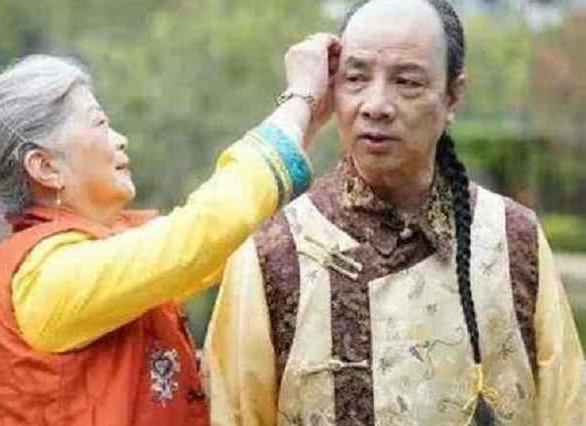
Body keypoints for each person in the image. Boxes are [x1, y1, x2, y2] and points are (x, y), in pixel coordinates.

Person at [203, 1, 586, 425]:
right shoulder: (274, 253)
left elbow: (567, 407)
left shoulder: (512, 239)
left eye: (406, 82)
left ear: (453, 96)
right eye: (356, 78)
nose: (376, 105)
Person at [0, 32, 337, 426]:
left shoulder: (94, 251)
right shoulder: (47, 276)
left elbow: (221, 241)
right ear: (46, 168)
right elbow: (201, 233)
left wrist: (306, 120)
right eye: (100, 124)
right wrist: (299, 99)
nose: (120, 140)